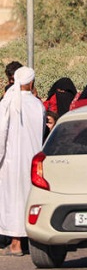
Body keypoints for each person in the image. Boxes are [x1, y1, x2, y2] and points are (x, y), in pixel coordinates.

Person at [0, 67, 44, 256]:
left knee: (13, 200)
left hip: (11, 161)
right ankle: (32, 241)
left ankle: (16, 244)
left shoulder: (8, 102)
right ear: (32, 82)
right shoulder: (37, 105)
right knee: (28, 198)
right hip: (32, 160)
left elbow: (1, 133)